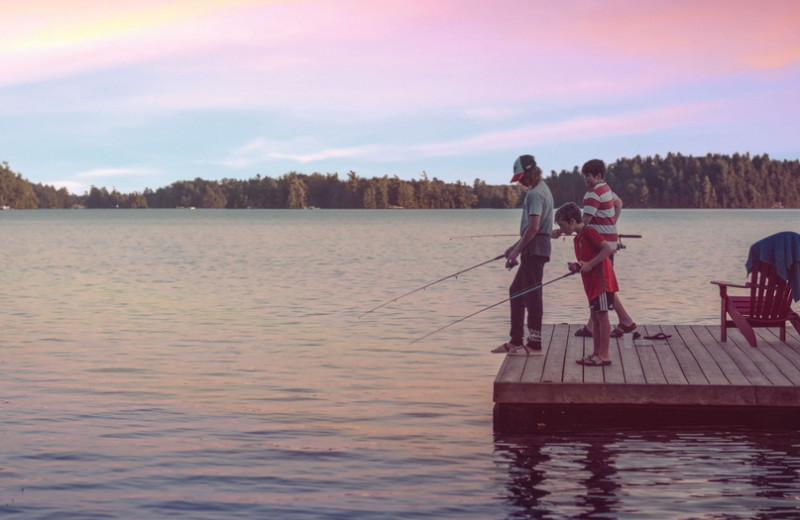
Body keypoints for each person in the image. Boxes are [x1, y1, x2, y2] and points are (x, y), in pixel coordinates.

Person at [492, 155, 554, 355]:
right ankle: (516, 340)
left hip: (535, 249)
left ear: (529, 173)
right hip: (536, 248)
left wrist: (517, 251)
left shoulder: (535, 194)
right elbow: (532, 229)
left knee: (532, 295)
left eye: (521, 177)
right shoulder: (544, 189)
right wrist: (515, 247)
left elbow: (534, 228)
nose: (520, 182)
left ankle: (534, 344)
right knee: (517, 292)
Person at [569, 159, 636, 339]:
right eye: (584, 176)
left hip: (599, 246)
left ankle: (625, 321)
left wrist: (566, 229)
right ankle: (593, 326)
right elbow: (619, 203)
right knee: (602, 285)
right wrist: (611, 224)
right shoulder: (607, 189)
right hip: (609, 242)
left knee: (603, 286)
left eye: (588, 176)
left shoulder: (593, 194)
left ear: (598, 176)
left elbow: (585, 222)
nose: (585, 179)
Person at [554, 202, 618, 366]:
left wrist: (589, 264)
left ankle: (604, 356)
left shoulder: (589, 232)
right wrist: (579, 266)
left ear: (572, 221)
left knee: (602, 317)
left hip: (602, 281)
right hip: (591, 284)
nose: (562, 229)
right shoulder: (578, 238)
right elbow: (586, 260)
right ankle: (596, 353)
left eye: (562, 225)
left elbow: (607, 250)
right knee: (596, 318)